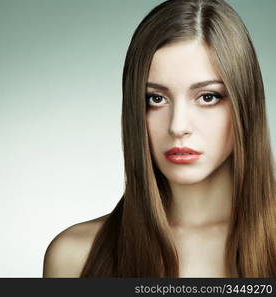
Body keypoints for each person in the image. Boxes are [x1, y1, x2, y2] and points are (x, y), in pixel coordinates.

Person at [42, 0, 276, 278]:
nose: (178, 126)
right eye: (156, 99)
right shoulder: (74, 257)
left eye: (208, 97)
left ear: (245, 103)